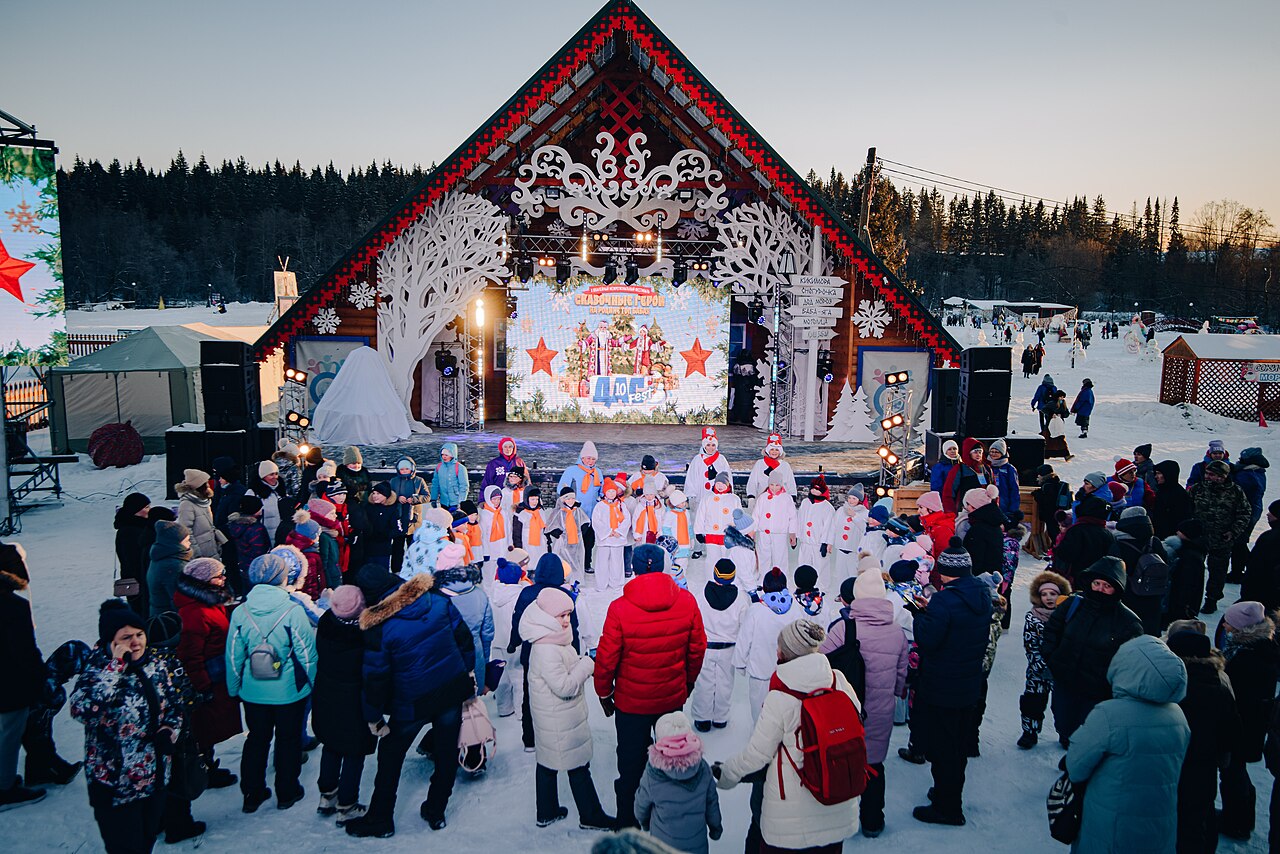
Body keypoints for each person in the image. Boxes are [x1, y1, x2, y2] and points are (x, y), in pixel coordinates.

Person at [345, 555, 476, 837]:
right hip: (450, 688)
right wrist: (467, 673)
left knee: (391, 754)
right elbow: (464, 638)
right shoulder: (437, 600)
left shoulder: (379, 628)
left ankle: (380, 818)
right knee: (446, 750)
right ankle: (436, 809)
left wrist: (374, 716)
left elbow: (375, 678)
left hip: (412, 700)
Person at [713, 619, 860, 853]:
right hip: (837, 800)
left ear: (783, 653)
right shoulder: (837, 679)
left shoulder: (781, 697)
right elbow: (856, 717)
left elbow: (757, 756)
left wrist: (727, 774)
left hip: (791, 818)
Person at [594, 544, 706, 829]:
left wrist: (604, 691)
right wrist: (688, 681)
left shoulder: (620, 608)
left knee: (631, 764)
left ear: (633, 569)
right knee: (673, 757)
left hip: (632, 701)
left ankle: (628, 821)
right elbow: (697, 648)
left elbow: (607, 657)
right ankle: (671, 816)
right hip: (670, 696)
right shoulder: (686, 602)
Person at [71, 601, 187, 854]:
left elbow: (175, 706)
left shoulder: (155, 664)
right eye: (126, 637)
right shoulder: (97, 669)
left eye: (139, 634)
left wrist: (170, 730)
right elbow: (82, 711)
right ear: (110, 642)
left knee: (146, 844)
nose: (135, 642)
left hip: (154, 777)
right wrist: (116, 667)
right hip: (115, 785)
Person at [1066, 635, 1190, 854]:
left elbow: (1075, 767)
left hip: (1111, 820)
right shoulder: (1178, 716)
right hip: (1160, 823)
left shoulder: (1110, 715)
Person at [225, 553, 317, 814]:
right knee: (288, 740)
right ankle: (287, 791)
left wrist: (234, 688)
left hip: (253, 691)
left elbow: (234, 655)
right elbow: (306, 653)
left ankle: (252, 794)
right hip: (288, 691)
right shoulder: (292, 610)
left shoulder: (241, 611)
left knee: (256, 740)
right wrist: (313, 684)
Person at [909, 539, 991, 826]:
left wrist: (921, 615)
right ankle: (948, 793)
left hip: (943, 684)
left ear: (944, 571)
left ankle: (948, 807)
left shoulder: (944, 600)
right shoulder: (980, 594)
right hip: (968, 684)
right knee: (956, 746)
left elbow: (928, 640)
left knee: (944, 749)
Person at [820, 568, 907, 836]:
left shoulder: (844, 628)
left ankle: (839, 819)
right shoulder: (897, 632)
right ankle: (872, 820)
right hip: (880, 711)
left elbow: (820, 663)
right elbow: (902, 677)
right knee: (874, 764)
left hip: (845, 709)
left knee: (842, 761)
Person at [521, 586, 614, 830]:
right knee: (578, 766)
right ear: (546, 617)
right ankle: (591, 816)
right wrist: (586, 664)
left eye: (568, 615)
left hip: (551, 717)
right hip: (559, 719)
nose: (566, 621)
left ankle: (547, 811)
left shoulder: (548, 639)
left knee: (548, 762)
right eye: (560, 616)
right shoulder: (546, 649)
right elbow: (564, 686)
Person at [1039, 556, 1143, 744]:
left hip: (1097, 689)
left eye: (1107, 586)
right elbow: (1052, 629)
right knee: (1063, 719)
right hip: (1065, 678)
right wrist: (1051, 656)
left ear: (1117, 588)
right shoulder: (1073, 604)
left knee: (1089, 730)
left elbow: (1129, 660)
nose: (1100, 589)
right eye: (1096, 583)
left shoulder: (1128, 622)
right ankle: (1067, 737)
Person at [1166, 625, 1239, 853]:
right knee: (1200, 813)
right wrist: (1222, 755)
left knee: (1173, 813)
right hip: (1204, 764)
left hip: (1173, 760)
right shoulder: (1220, 682)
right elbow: (1232, 727)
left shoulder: (1171, 684)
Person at [173, 557, 240, 790]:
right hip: (207, 680)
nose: (223, 579)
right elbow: (190, 656)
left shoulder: (209, 601)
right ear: (203, 581)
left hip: (216, 675)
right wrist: (202, 687)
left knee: (208, 730)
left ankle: (208, 765)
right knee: (203, 729)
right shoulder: (194, 613)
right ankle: (204, 770)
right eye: (218, 576)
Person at [1217, 600, 1280, 842]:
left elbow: (1238, 695)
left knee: (1233, 771)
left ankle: (1238, 821)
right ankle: (1241, 817)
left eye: (1230, 624)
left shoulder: (1248, 658)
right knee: (1236, 771)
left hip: (1243, 726)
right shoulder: (1260, 647)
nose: (1225, 627)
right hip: (1250, 725)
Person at [312, 585, 375, 826]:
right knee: (353, 751)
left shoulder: (327, 624)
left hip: (327, 693)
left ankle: (327, 795)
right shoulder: (363, 633)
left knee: (331, 743)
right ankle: (347, 805)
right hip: (354, 699)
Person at [510, 553, 581, 750]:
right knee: (559, 696)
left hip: (531, 651)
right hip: (559, 652)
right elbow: (572, 626)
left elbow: (518, 620)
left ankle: (530, 739)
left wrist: (513, 641)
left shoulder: (527, 593)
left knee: (530, 694)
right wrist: (575, 651)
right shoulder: (565, 594)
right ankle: (559, 737)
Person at [634, 711, 721, 854]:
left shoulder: (653, 773)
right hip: (696, 845)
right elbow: (712, 802)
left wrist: (644, 823)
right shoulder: (702, 768)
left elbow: (641, 804)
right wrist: (715, 828)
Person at [0, 544, 46, 811]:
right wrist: (38, 677)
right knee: (10, 734)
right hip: (10, 681)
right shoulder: (13, 606)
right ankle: (4, 788)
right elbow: (25, 650)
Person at [1189, 459, 1251, 613]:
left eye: (1212, 474)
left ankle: (1212, 599)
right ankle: (1190, 599)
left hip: (1221, 539)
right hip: (1198, 538)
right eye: (1207, 473)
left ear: (1222, 476)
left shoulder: (1235, 492)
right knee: (1193, 570)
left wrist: (1234, 531)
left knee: (1217, 572)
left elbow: (1244, 513)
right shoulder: (1198, 489)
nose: (1208, 477)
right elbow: (1187, 508)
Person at [690, 559, 746, 731]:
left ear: (715, 574)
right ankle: (720, 718)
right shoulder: (741, 599)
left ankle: (702, 719)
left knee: (704, 682)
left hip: (706, 647)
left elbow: (695, 622)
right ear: (733, 576)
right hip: (728, 648)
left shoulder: (701, 595)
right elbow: (744, 625)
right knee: (725, 683)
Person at [1017, 570, 1069, 749]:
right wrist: (1039, 665)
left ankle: (1065, 733)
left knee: (1064, 705)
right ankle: (1029, 732)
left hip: (1061, 669)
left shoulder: (1068, 616)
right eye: (1044, 594)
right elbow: (1030, 644)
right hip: (1037, 670)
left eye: (1053, 594)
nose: (1048, 598)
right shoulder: (1033, 617)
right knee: (1033, 702)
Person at [737, 568, 795, 720]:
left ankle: (760, 740)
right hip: (788, 672)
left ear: (764, 587)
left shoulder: (756, 610)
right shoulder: (794, 608)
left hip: (760, 671)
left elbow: (745, 638)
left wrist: (740, 663)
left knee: (760, 713)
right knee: (785, 714)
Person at [1110, 506, 1169, 635]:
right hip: (1152, 593)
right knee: (1149, 631)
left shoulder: (1118, 542)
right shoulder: (1154, 542)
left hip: (1127, 594)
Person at [491, 557, 528, 719]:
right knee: (518, 675)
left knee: (501, 677)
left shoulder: (493, 594)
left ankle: (504, 708)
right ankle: (521, 711)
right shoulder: (520, 596)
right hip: (514, 642)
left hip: (496, 641)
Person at [1051, 495, 1114, 585]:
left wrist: (1057, 550)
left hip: (1077, 579)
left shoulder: (1076, 531)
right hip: (1098, 582)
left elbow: (1066, 554)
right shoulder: (1108, 534)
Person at [1228, 446, 1269, 584]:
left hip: (1248, 512)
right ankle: (1245, 570)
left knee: (1239, 542)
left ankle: (1241, 572)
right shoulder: (1251, 471)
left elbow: (1238, 487)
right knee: (1239, 542)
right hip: (1252, 510)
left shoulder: (1250, 474)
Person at [1163, 518, 1210, 624]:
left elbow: (1187, 585)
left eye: (1180, 531)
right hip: (1182, 604)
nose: (1177, 532)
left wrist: (1184, 607)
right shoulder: (1190, 551)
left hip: (1181, 606)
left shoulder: (1190, 557)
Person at [387, 457, 430, 571]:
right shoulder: (394, 481)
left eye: (407, 468)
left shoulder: (419, 481)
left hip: (413, 519)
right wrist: (397, 497)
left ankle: (414, 568)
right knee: (397, 547)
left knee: (413, 545)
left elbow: (427, 496)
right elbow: (388, 495)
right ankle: (396, 570)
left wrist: (415, 499)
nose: (405, 471)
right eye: (402, 469)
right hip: (398, 518)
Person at [113, 492, 152, 616]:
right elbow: (133, 561)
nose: (149, 510)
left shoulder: (140, 526)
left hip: (142, 579)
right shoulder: (129, 531)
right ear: (135, 510)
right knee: (141, 613)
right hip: (138, 582)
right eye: (146, 508)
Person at [348, 482, 400, 573]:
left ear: (386, 495)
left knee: (381, 573)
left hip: (382, 550)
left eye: (378, 493)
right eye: (373, 493)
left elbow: (397, 529)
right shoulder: (367, 507)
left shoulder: (392, 510)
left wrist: (385, 536)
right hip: (367, 548)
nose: (375, 496)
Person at [591, 478, 632, 591]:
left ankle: (616, 583)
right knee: (602, 562)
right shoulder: (600, 506)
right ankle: (601, 583)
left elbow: (627, 519)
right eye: (609, 491)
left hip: (617, 538)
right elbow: (596, 521)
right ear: (605, 492)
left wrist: (619, 531)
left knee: (617, 562)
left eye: (613, 491)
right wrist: (608, 532)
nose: (611, 493)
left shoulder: (621, 505)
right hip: (605, 538)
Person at [754, 470, 796, 578]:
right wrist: (753, 530)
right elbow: (756, 515)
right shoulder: (762, 498)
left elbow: (793, 517)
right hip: (764, 533)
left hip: (779, 534)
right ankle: (763, 578)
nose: (774, 487)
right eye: (771, 484)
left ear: (781, 485)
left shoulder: (786, 498)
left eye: (777, 485)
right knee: (763, 557)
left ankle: (781, 579)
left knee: (780, 558)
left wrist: (792, 533)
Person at [175, 469, 226, 560]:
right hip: (200, 552)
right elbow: (186, 531)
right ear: (199, 485)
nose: (208, 485)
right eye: (205, 483)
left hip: (210, 547)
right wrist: (196, 553)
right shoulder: (187, 504)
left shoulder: (203, 501)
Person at [146, 521, 192, 618]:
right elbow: (178, 600)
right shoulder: (173, 566)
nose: (190, 543)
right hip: (170, 619)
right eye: (187, 540)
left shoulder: (160, 557)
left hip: (160, 614)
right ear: (176, 543)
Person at [1242, 500, 1280, 610]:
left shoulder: (1269, 538)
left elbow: (1255, 566)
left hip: (1262, 593)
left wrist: (1247, 593)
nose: (1267, 514)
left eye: (1272, 512)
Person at [960, 485, 1005, 576]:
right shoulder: (993, 523)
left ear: (975, 506)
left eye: (968, 504)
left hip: (980, 580)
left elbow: (974, 559)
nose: (966, 507)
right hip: (992, 577)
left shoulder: (977, 529)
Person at [940, 437, 993, 514]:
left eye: (980, 452)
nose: (978, 454)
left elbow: (993, 489)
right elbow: (948, 493)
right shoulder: (959, 469)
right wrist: (951, 513)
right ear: (969, 453)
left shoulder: (987, 469)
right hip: (965, 511)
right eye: (975, 452)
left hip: (985, 510)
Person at [683, 427, 732, 509]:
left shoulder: (721, 459)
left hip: (718, 496)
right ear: (704, 446)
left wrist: (728, 492)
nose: (711, 448)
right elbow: (691, 478)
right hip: (701, 495)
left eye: (713, 445)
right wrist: (691, 495)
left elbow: (728, 477)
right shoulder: (697, 459)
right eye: (708, 445)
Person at [1151, 460, 1195, 540]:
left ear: (1168, 474)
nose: (1156, 476)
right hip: (1159, 536)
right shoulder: (1161, 491)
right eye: (1156, 473)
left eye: (1159, 473)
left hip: (1173, 539)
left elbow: (1182, 519)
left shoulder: (1180, 494)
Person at [745, 432, 796, 501]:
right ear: (768, 450)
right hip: (763, 500)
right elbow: (752, 481)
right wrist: (751, 496)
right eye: (772, 449)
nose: (774, 452)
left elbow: (791, 483)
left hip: (781, 500)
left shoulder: (785, 465)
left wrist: (793, 496)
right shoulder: (760, 464)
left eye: (777, 449)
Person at [251, 460, 289, 542]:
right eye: (271, 474)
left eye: (276, 474)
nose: (275, 477)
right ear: (263, 476)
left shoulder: (281, 492)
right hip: (261, 537)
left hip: (280, 536)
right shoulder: (253, 493)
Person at [428, 442, 469, 511]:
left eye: (446, 455)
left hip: (455, 502)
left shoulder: (460, 468)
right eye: (442, 455)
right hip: (444, 502)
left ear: (452, 455)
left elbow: (464, 486)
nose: (444, 457)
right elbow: (435, 484)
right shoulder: (439, 467)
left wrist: (461, 501)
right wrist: (433, 498)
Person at [986, 439, 1020, 516]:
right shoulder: (986, 467)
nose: (993, 454)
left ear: (1002, 453)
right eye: (992, 451)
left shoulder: (1009, 469)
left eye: (996, 452)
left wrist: (1013, 511)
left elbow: (1014, 490)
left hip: (1003, 506)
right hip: (987, 505)